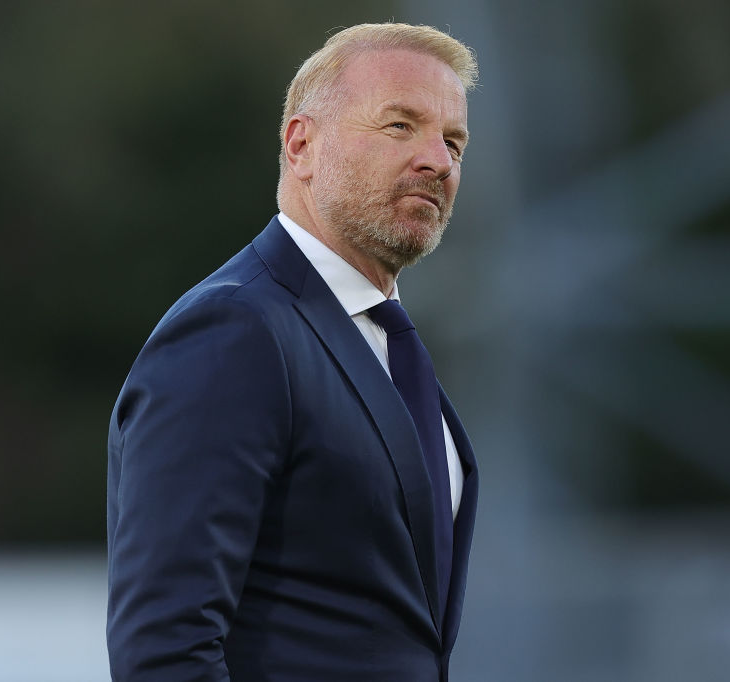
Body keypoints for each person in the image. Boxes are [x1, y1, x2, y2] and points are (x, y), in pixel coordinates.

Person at [106, 23, 480, 681]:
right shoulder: (234, 330)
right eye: (400, 126)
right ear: (301, 145)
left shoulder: (384, 342)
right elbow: (165, 651)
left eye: (453, 142)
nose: (438, 161)